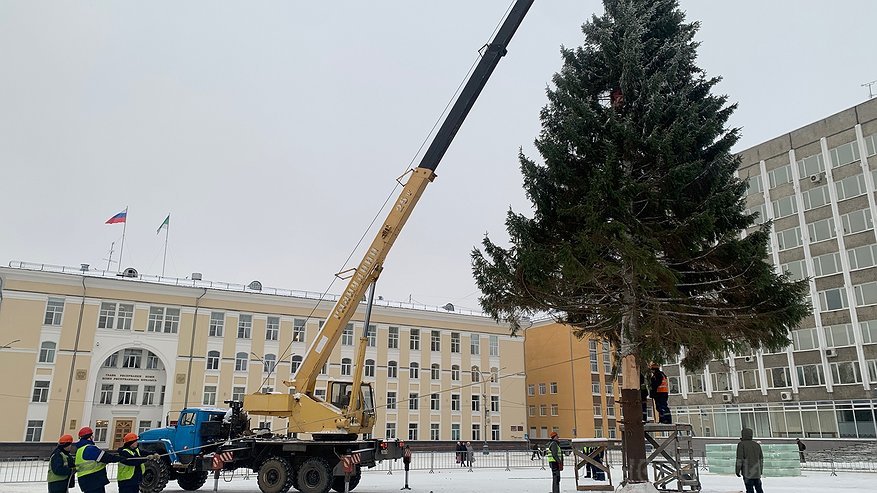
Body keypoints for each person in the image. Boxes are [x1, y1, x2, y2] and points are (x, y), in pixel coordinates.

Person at [74, 426, 123, 493]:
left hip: (85, 480)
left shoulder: (80, 449)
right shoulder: (90, 448)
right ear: (89, 437)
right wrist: (120, 458)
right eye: (92, 436)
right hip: (93, 480)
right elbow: (105, 457)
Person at [735, 427, 764, 493]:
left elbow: (740, 459)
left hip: (747, 472)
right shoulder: (757, 445)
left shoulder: (741, 444)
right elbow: (761, 459)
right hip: (756, 472)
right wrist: (760, 471)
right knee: (759, 489)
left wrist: (737, 470)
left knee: (749, 490)